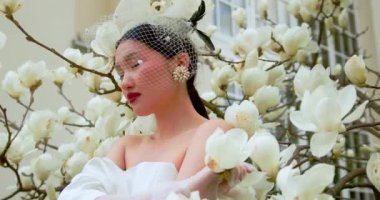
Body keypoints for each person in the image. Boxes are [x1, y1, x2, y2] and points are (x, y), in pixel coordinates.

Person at [58, 6, 252, 200]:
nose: (124, 83)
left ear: (180, 63)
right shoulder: (126, 146)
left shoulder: (214, 134)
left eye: (135, 64)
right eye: (121, 73)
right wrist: (180, 188)